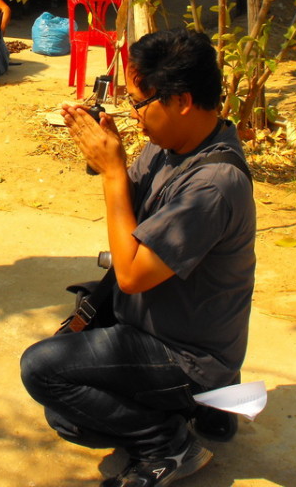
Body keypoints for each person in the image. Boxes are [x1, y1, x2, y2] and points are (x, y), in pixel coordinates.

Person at [20, 29, 256, 487]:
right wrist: (106, 154)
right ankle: (207, 404)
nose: (134, 114)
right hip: (171, 328)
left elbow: (129, 275)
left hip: (187, 354)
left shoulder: (214, 183)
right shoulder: (175, 144)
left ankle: (168, 443)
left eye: (140, 102)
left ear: (182, 100)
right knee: (70, 368)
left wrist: (111, 173)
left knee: (46, 376)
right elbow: (133, 201)